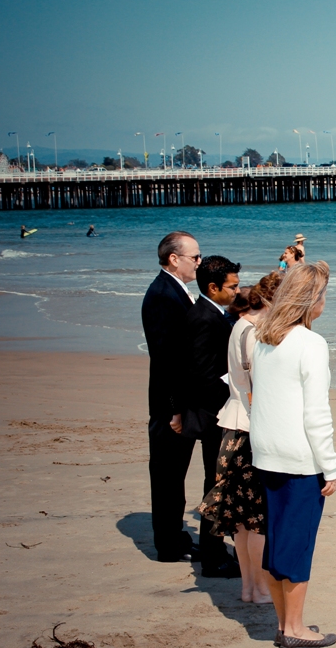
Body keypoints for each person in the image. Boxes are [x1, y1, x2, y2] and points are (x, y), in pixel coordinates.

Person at [250, 262, 336, 647]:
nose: (325, 302)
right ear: (310, 300)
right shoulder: (310, 343)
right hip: (300, 458)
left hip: (267, 452)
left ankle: (285, 625)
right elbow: (316, 413)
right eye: (323, 295)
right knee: (298, 545)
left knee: (276, 543)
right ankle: (295, 629)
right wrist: (330, 466)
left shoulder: (264, 336)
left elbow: (264, 401)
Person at [200, 273, 281, 604]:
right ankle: (257, 587)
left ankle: (250, 587)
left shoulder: (240, 325)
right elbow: (257, 388)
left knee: (243, 522)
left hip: (234, 426)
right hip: (248, 429)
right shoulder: (253, 331)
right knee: (255, 520)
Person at [140, 231, 201, 563]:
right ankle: (168, 545)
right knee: (166, 476)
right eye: (195, 257)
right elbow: (165, 359)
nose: (199, 263)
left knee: (174, 475)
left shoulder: (176, 290)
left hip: (177, 402)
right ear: (174, 258)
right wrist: (176, 411)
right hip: (170, 406)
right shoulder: (163, 295)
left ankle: (174, 536)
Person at [184, 255, 242, 578]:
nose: (236, 291)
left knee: (217, 483)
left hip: (214, 413)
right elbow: (202, 374)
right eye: (231, 287)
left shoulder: (212, 313)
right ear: (213, 287)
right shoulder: (204, 318)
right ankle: (212, 555)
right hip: (212, 416)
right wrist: (235, 390)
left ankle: (215, 550)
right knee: (215, 485)